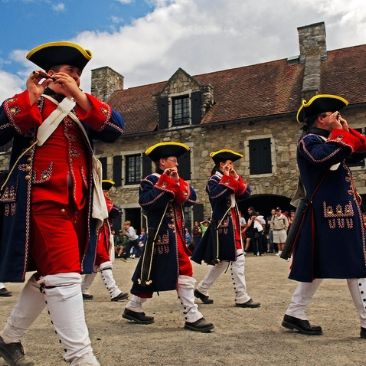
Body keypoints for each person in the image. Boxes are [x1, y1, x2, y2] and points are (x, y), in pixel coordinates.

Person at [0, 41, 124, 365]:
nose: (71, 78)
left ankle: (8, 339)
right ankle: (81, 359)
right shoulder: (29, 105)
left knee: (49, 276)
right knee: (66, 277)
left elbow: (116, 128)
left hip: (79, 208)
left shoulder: (83, 109)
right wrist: (29, 97)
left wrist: (81, 98)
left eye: (76, 73)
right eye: (64, 72)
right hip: (40, 202)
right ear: (49, 75)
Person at [281, 94, 366, 338]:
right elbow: (324, 157)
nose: (339, 119)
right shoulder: (309, 141)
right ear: (321, 118)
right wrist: (340, 134)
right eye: (334, 115)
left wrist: (347, 131)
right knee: (357, 263)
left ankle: (295, 313)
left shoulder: (333, 141)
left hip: (337, 213)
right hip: (330, 213)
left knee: (316, 265)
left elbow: (360, 150)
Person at [122, 142, 214, 333]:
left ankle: (133, 306)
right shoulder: (149, 181)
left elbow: (191, 199)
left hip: (176, 235)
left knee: (147, 272)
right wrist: (166, 182)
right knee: (183, 269)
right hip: (160, 235)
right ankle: (192, 315)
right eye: (174, 160)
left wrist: (177, 182)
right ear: (162, 162)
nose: (177, 164)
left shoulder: (178, 179)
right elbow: (147, 202)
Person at [191, 149, 260, 308]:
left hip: (233, 223)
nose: (230, 166)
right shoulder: (213, 180)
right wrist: (230, 178)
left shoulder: (228, 178)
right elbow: (217, 195)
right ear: (221, 165)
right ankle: (241, 296)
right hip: (223, 225)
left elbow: (246, 193)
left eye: (231, 164)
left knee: (222, 261)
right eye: (228, 164)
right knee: (238, 258)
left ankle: (202, 289)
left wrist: (235, 177)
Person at [81, 180, 128, 302]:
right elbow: (114, 211)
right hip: (97, 234)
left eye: (107, 191)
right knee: (104, 260)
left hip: (102, 234)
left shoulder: (101, 201)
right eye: (104, 191)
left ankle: (82, 290)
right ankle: (114, 291)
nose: (107, 194)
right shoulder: (97, 201)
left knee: (95, 265)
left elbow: (116, 212)